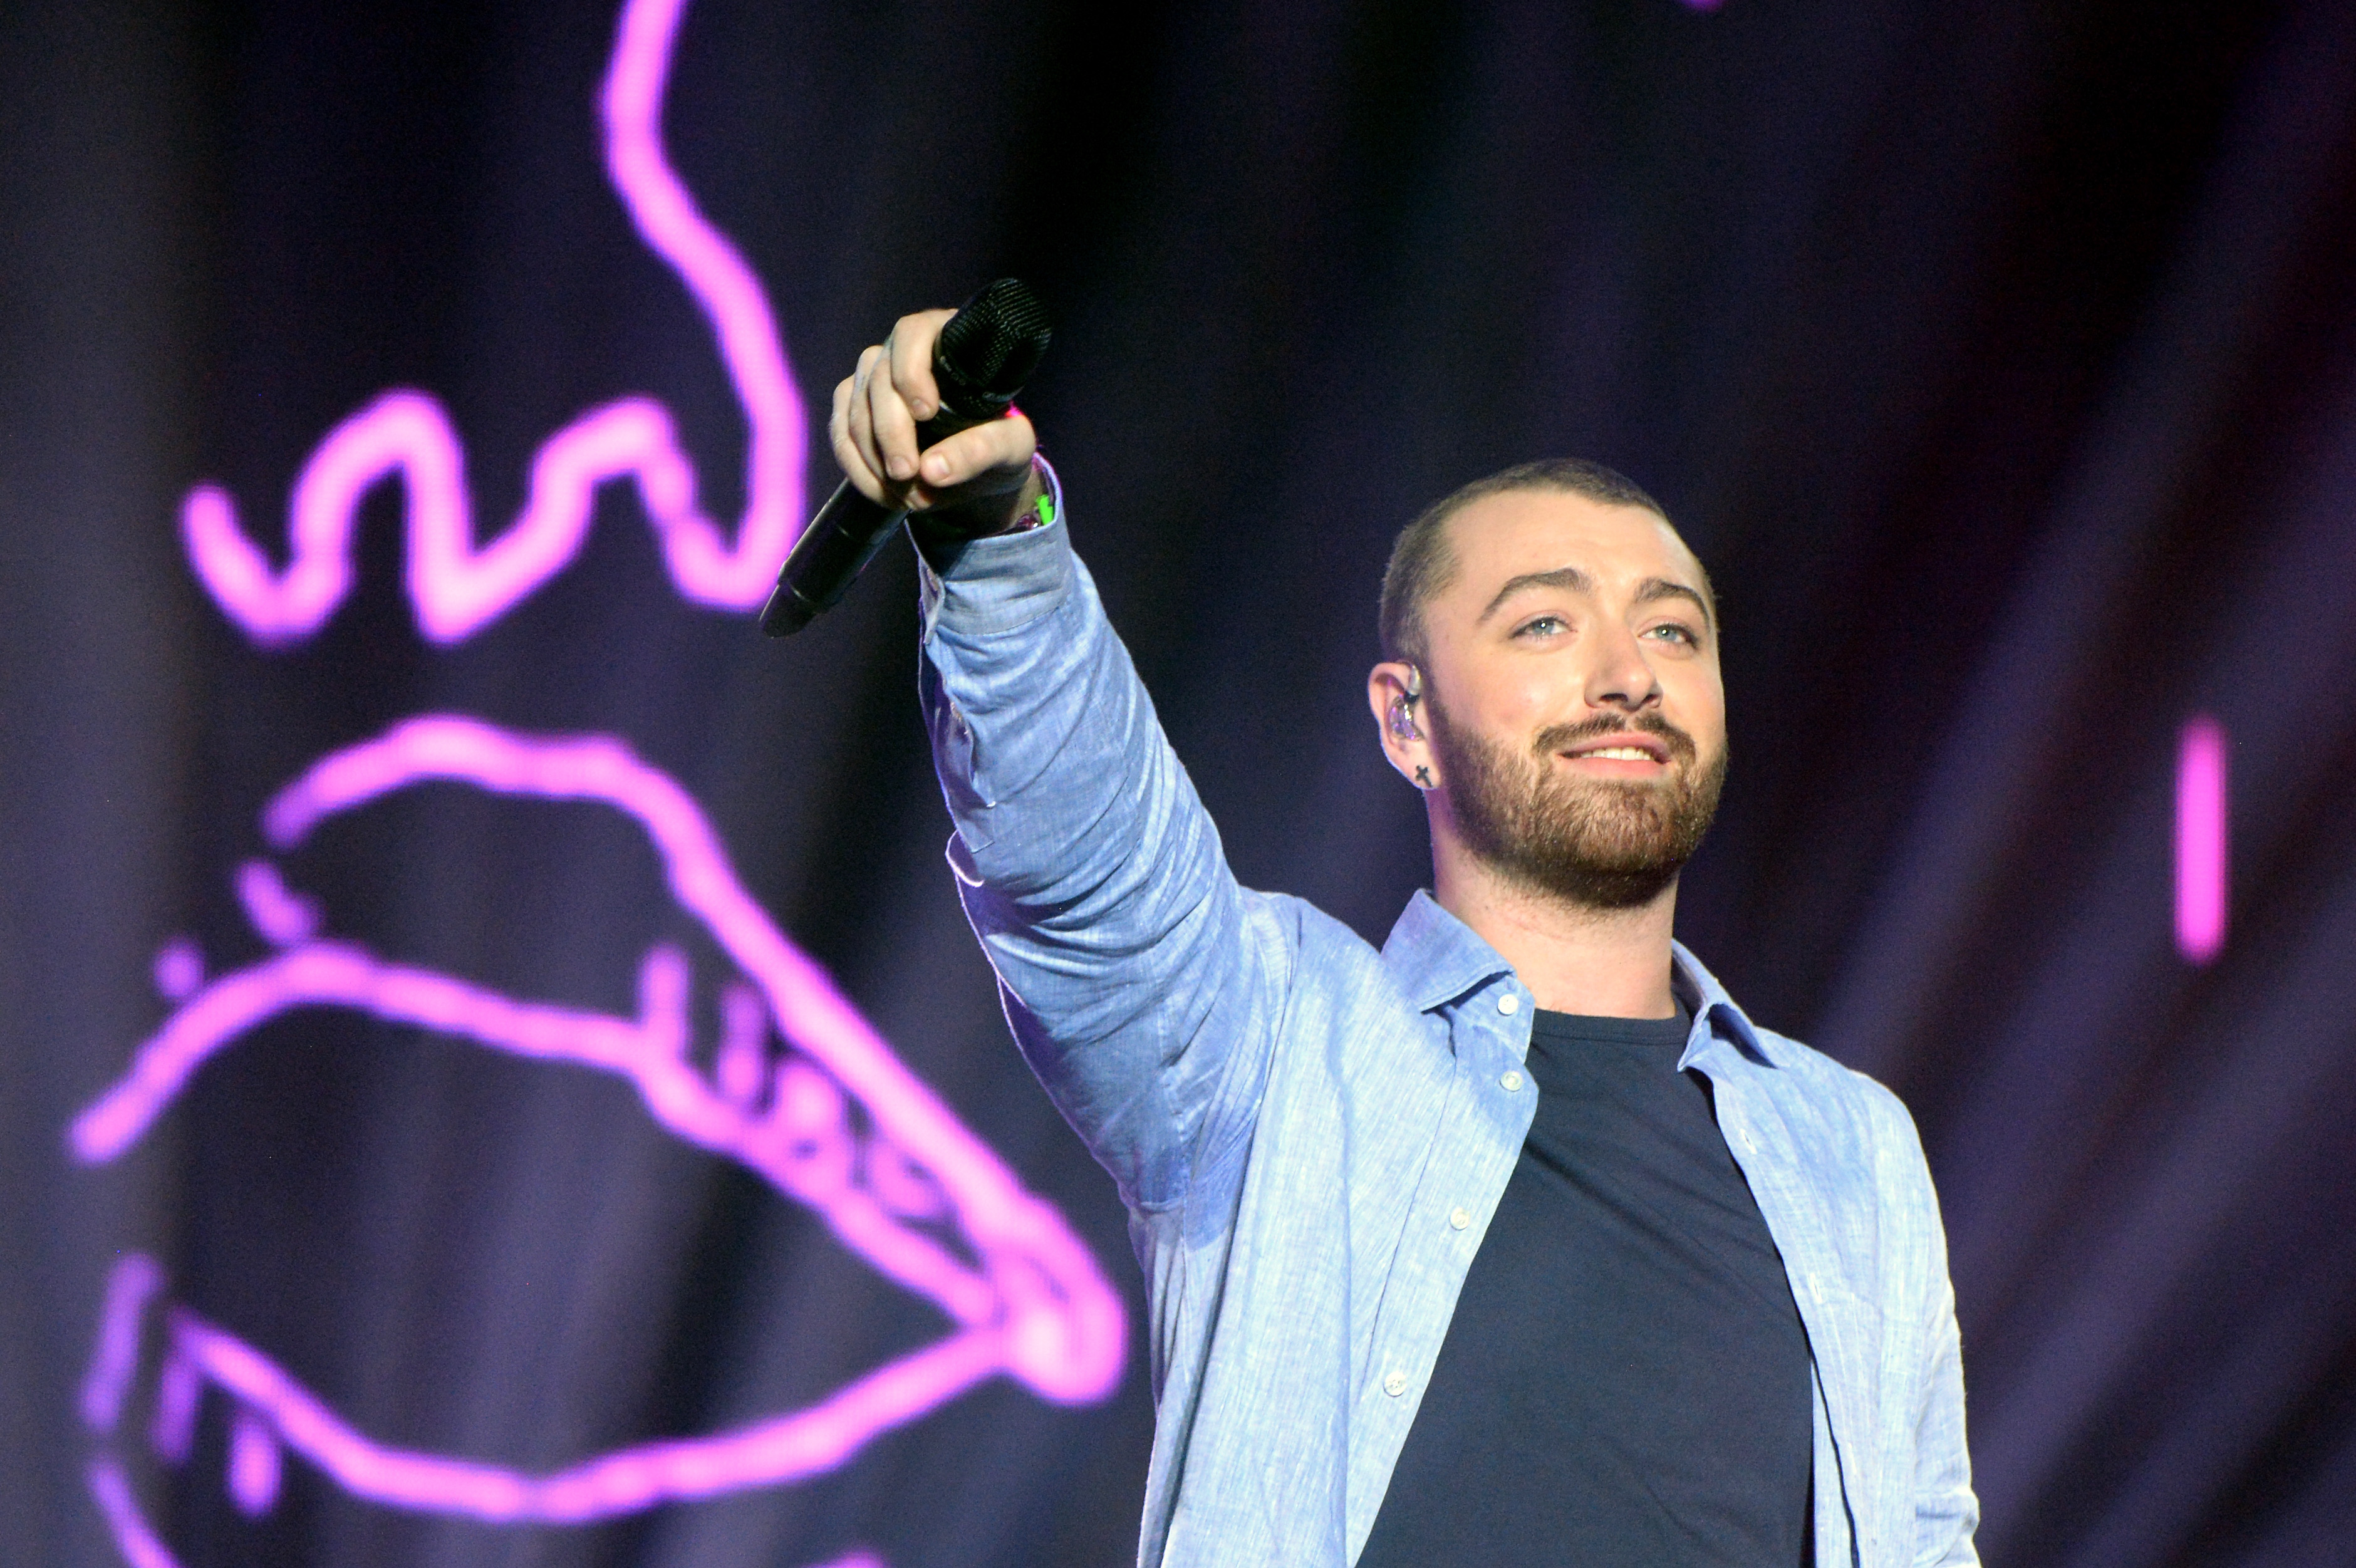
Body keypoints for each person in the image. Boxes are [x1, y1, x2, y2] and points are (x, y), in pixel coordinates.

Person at [828, 308, 1979, 1568]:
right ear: (1406, 721)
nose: (1628, 675)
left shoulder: (1851, 1144)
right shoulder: (1275, 1041)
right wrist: (997, 548)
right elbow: (1086, 858)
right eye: (1544, 624)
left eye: (1672, 629)